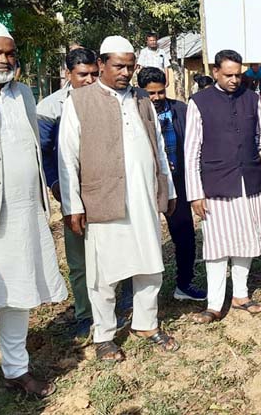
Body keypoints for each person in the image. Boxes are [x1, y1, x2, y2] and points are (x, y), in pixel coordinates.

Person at [58, 35, 180, 362]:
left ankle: (145, 323)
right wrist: (72, 205)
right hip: (103, 198)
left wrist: (167, 189)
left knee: (150, 264)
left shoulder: (142, 99)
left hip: (143, 197)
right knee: (104, 274)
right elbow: (67, 158)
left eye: (130, 66)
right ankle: (104, 335)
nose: (125, 72)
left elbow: (157, 147)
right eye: (118, 66)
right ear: (101, 64)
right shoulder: (79, 101)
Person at [0, 21, 67, 398]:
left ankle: (15, 369)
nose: (4, 60)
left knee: (18, 296)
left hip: (22, 214)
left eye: (9, 54)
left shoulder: (24, 94)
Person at [185, 50, 261, 324]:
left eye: (238, 74)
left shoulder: (251, 98)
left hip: (248, 180)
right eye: (229, 75)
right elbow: (191, 151)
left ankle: (241, 296)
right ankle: (214, 304)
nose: (234, 80)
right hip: (215, 184)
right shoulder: (199, 102)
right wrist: (195, 192)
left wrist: (245, 156)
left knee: (246, 239)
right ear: (216, 71)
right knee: (217, 245)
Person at [37, 48, 100, 339]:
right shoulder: (50, 108)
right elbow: (44, 154)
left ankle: (116, 301)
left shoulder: (108, 99)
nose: (89, 80)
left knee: (110, 249)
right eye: (82, 75)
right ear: (67, 74)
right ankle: (85, 314)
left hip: (104, 190)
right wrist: (55, 185)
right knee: (79, 260)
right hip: (70, 192)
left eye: (94, 74)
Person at [137, 67, 205, 301]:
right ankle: (140, 295)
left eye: (160, 92)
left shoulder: (181, 111)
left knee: (185, 235)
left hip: (178, 182)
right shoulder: (134, 112)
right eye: (150, 94)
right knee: (143, 238)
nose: (156, 98)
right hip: (146, 184)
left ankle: (184, 284)